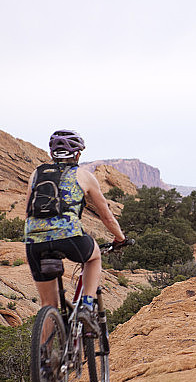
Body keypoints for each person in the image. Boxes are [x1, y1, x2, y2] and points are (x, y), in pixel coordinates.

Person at [24, 129, 126, 332]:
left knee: (48, 305)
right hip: (69, 237)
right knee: (94, 257)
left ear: (52, 153)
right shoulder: (85, 176)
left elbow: (28, 211)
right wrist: (120, 238)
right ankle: (86, 307)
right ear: (77, 154)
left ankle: (44, 362)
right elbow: (106, 216)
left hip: (34, 240)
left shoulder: (37, 174)